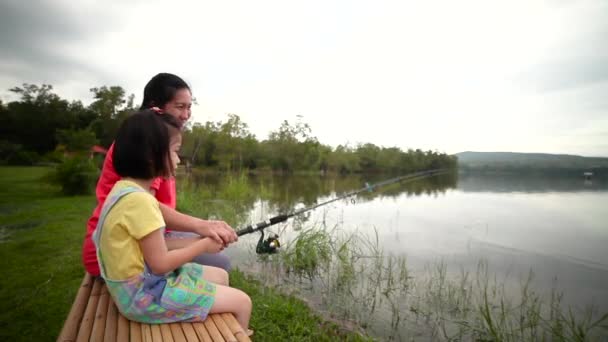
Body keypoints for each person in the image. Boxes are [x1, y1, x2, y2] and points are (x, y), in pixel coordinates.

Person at [92, 110, 252, 332]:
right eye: (176, 151)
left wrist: (200, 237)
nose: (178, 159)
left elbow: (155, 247)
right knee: (242, 302)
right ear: (152, 155)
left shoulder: (124, 191)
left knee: (221, 275)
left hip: (138, 286)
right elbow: (160, 265)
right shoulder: (141, 202)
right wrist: (203, 246)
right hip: (144, 296)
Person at [83, 73, 234, 277]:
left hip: (138, 238)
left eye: (189, 107)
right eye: (180, 107)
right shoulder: (147, 150)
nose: (186, 115)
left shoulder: (150, 143)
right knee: (219, 263)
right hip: (118, 253)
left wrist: (202, 231)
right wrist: (202, 226)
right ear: (156, 107)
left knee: (208, 246)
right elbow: (148, 207)